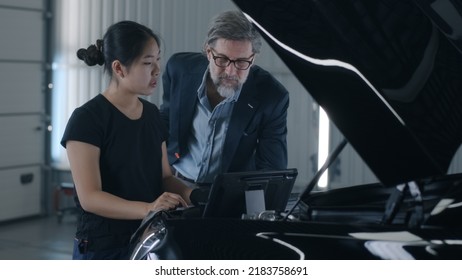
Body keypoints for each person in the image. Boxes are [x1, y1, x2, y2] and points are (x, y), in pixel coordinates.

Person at [60, 20, 192, 260]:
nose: (157, 70)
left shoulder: (152, 115)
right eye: (147, 63)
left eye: (158, 60)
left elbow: (164, 177)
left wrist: (195, 195)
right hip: (103, 248)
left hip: (149, 240)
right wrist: (148, 208)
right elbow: (90, 197)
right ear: (119, 69)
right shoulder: (87, 119)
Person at [160, 10, 289, 188]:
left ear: (254, 58)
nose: (230, 72)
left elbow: (272, 170)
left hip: (228, 192)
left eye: (242, 62)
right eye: (222, 59)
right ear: (208, 51)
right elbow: (164, 125)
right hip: (175, 182)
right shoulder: (179, 69)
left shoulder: (272, 96)